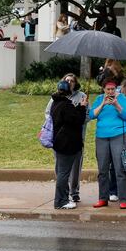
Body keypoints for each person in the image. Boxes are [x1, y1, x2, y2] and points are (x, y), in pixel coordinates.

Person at [43, 73, 88, 203]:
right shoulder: (64, 104)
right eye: (67, 81)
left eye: (72, 81)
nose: (70, 83)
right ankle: (61, 200)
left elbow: (78, 118)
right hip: (65, 141)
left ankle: (70, 194)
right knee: (63, 172)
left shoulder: (61, 101)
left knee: (69, 170)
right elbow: (76, 119)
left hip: (68, 140)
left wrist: (80, 107)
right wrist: (81, 107)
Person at [90, 79, 126, 209]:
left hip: (118, 136)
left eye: (112, 89)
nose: (110, 92)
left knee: (119, 168)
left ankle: (124, 199)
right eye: (108, 89)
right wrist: (103, 103)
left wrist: (116, 104)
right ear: (104, 90)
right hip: (101, 137)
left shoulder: (122, 98)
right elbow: (92, 115)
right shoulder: (99, 99)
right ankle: (103, 198)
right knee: (102, 169)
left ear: (116, 89)